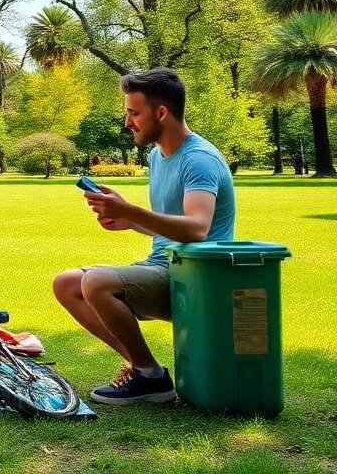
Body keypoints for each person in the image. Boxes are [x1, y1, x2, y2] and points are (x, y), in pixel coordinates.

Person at [53, 68, 235, 405]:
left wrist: (130, 211)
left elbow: (197, 228)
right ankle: (146, 370)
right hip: (164, 266)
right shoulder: (157, 155)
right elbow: (171, 226)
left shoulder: (199, 159)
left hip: (196, 276)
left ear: (161, 113)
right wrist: (128, 220)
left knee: (95, 282)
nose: (127, 122)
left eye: (134, 113)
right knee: (66, 283)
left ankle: (147, 376)